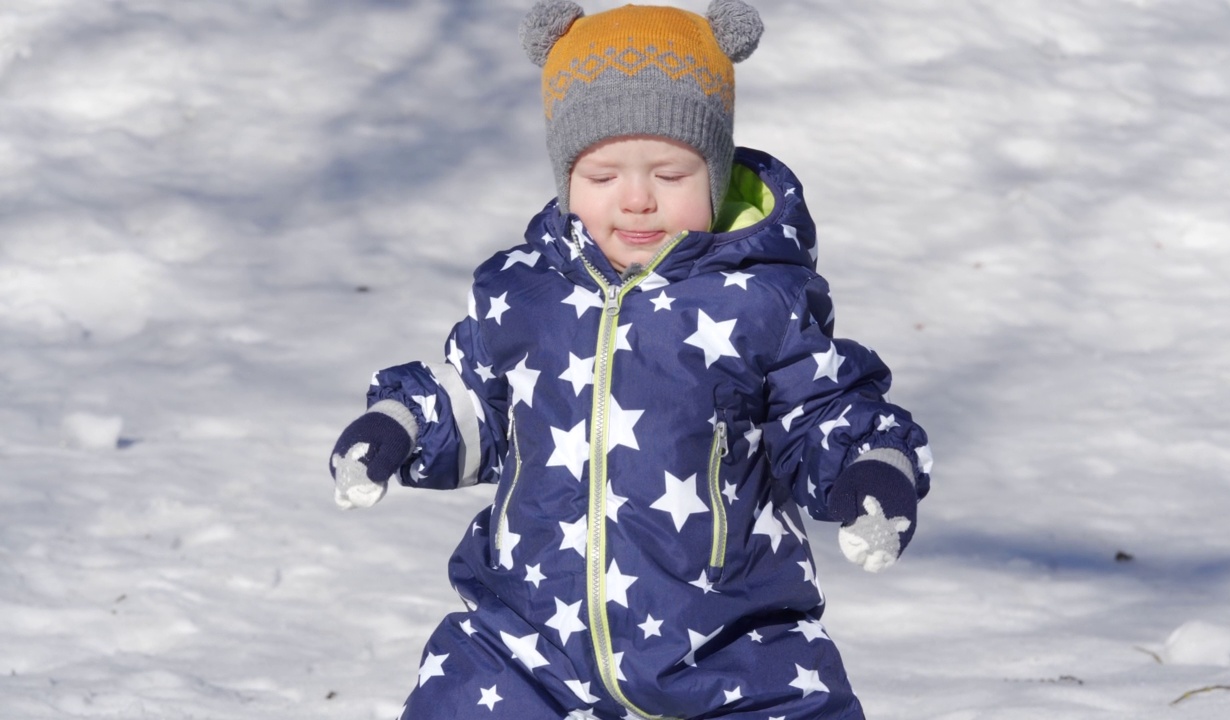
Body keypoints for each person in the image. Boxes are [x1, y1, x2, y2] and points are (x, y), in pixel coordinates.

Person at [328, 1, 932, 718]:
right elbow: (482, 408)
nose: (637, 199)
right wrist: (399, 422)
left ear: (713, 173)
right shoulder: (524, 293)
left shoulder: (761, 302)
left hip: (730, 649)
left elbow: (824, 411)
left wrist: (873, 468)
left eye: (671, 176)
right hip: (527, 648)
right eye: (604, 175)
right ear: (565, 177)